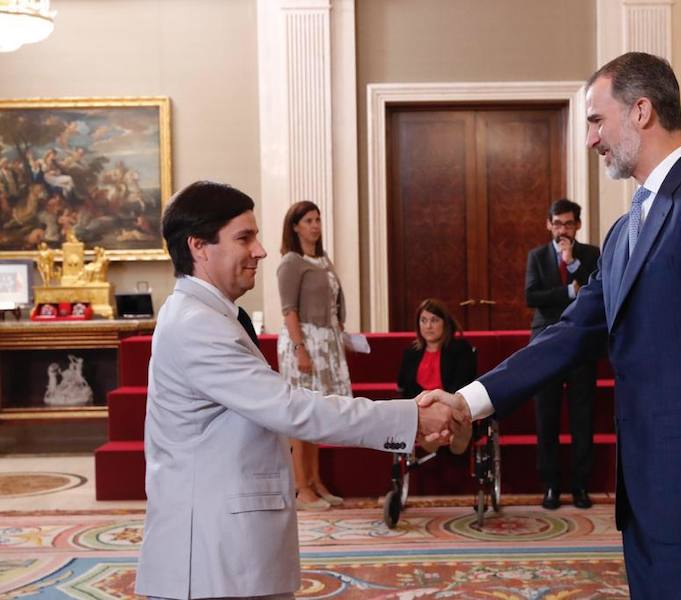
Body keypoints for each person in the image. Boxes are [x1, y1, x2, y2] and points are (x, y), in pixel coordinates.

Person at [420, 52, 681, 599]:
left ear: (641, 111)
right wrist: (467, 400)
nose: (591, 138)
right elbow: (568, 334)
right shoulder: (622, 232)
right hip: (647, 495)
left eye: (596, 119)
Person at [135, 181, 461, 600]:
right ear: (200, 246)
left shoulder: (208, 314)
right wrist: (409, 418)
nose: (261, 250)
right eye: (244, 237)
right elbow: (291, 409)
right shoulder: (197, 324)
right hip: (213, 560)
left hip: (225, 553)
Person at [525, 198, 601, 509]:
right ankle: (551, 485)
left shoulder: (591, 254)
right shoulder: (537, 256)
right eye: (557, 224)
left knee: (582, 418)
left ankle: (580, 485)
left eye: (568, 224)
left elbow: (596, 291)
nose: (562, 230)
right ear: (548, 224)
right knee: (547, 417)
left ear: (578, 225)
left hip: (580, 343)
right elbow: (532, 296)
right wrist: (570, 292)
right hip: (546, 343)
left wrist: (571, 264)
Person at [276, 200, 349, 510]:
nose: (315, 225)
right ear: (295, 226)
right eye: (308, 220)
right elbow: (288, 310)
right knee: (300, 415)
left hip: (326, 341)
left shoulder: (322, 260)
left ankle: (316, 480)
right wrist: (300, 349)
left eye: (318, 219)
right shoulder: (291, 262)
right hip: (303, 341)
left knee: (317, 414)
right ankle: (299, 485)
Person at [397, 298, 476, 455]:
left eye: (434, 320)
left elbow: (463, 385)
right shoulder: (411, 353)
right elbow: (404, 387)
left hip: (451, 407)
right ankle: (435, 437)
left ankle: (453, 437)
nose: (428, 326)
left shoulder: (461, 349)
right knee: (419, 416)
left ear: (445, 323)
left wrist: (444, 408)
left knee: (454, 412)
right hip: (423, 409)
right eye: (423, 320)